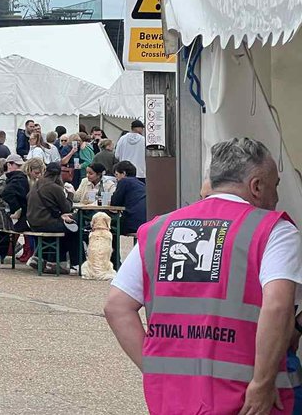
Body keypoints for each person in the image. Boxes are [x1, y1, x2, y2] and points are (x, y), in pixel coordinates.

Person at [105, 138, 302, 415]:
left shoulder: (158, 230)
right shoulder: (274, 231)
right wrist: (263, 382)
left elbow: (116, 306)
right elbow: (279, 306)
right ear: (257, 186)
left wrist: (155, 367)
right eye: (275, 186)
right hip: (249, 400)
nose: (277, 197)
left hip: (173, 399)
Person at [25, 162, 80, 273]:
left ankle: (51, 261)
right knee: (74, 229)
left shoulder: (36, 183)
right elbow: (67, 208)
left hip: (33, 223)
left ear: (46, 171)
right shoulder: (55, 187)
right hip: (45, 224)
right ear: (58, 174)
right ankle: (76, 264)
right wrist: (70, 194)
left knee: (65, 227)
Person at [109, 160, 147, 235]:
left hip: (132, 223)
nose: (116, 178)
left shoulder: (124, 181)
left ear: (124, 173)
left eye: (117, 175)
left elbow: (115, 203)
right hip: (145, 222)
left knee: (107, 226)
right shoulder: (141, 184)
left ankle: (113, 246)